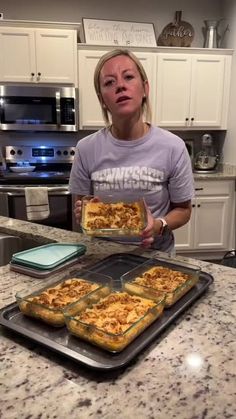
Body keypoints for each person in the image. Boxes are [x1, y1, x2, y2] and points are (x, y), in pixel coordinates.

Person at [69, 48, 194, 253]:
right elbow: (82, 206)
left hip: (157, 259)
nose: (120, 86)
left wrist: (159, 225)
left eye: (128, 77)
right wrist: (85, 211)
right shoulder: (86, 148)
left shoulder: (173, 147)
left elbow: (183, 210)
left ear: (145, 88)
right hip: (102, 256)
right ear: (102, 99)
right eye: (110, 82)